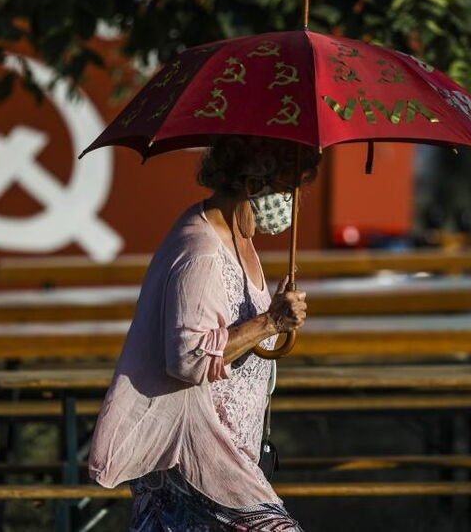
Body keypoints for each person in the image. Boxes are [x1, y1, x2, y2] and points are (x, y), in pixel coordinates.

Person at [89, 136, 321, 531]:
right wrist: (269, 323)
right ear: (253, 184)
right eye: (289, 190)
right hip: (194, 453)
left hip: (224, 449)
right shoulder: (202, 252)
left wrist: (274, 322)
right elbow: (188, 357)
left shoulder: (238, 237)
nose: (295, 205)